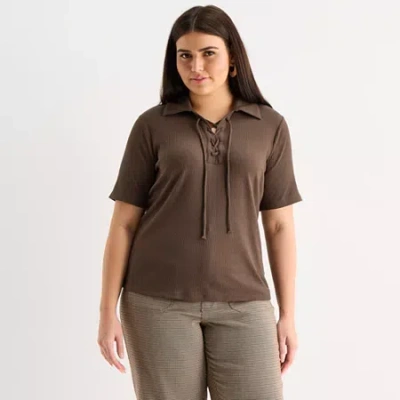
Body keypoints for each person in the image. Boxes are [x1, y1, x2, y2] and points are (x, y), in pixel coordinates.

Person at [98, 4, 303, 400]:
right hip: (156, 303)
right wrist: (107, 312)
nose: (196, 66)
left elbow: (279, 225)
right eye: (185, 55)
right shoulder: (152, 125)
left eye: (208, 53)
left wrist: (288, 315)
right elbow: (123, 222)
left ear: (232, 59)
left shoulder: (270, 126)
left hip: (245, 303)